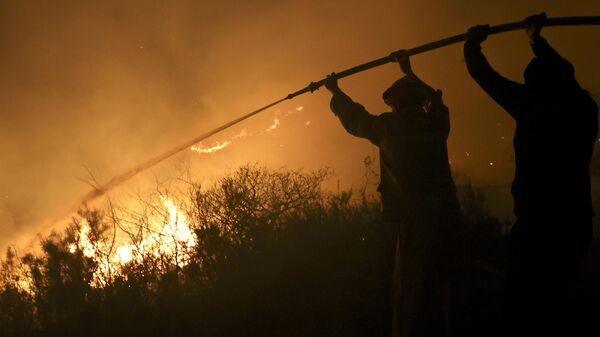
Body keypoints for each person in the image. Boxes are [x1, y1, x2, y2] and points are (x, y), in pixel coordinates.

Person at [464, 13, 598, 337]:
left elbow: (485, 76)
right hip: (576, 225)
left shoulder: (531, 104)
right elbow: (561, 72)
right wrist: (536, 41)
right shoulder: (585, 107)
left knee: (524, 307)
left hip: (538, 225)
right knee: (557, 303)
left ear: (535, 84)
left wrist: (471, 45)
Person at [323, 52, 462, 337]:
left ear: (396, 103)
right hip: (447, 217)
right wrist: (409, 71)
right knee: (448, 284)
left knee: (411, 292)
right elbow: (436, 98)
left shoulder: (388, 127)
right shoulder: (437, 123)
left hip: (413, 219)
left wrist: (335, 91)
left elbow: (354, 119)